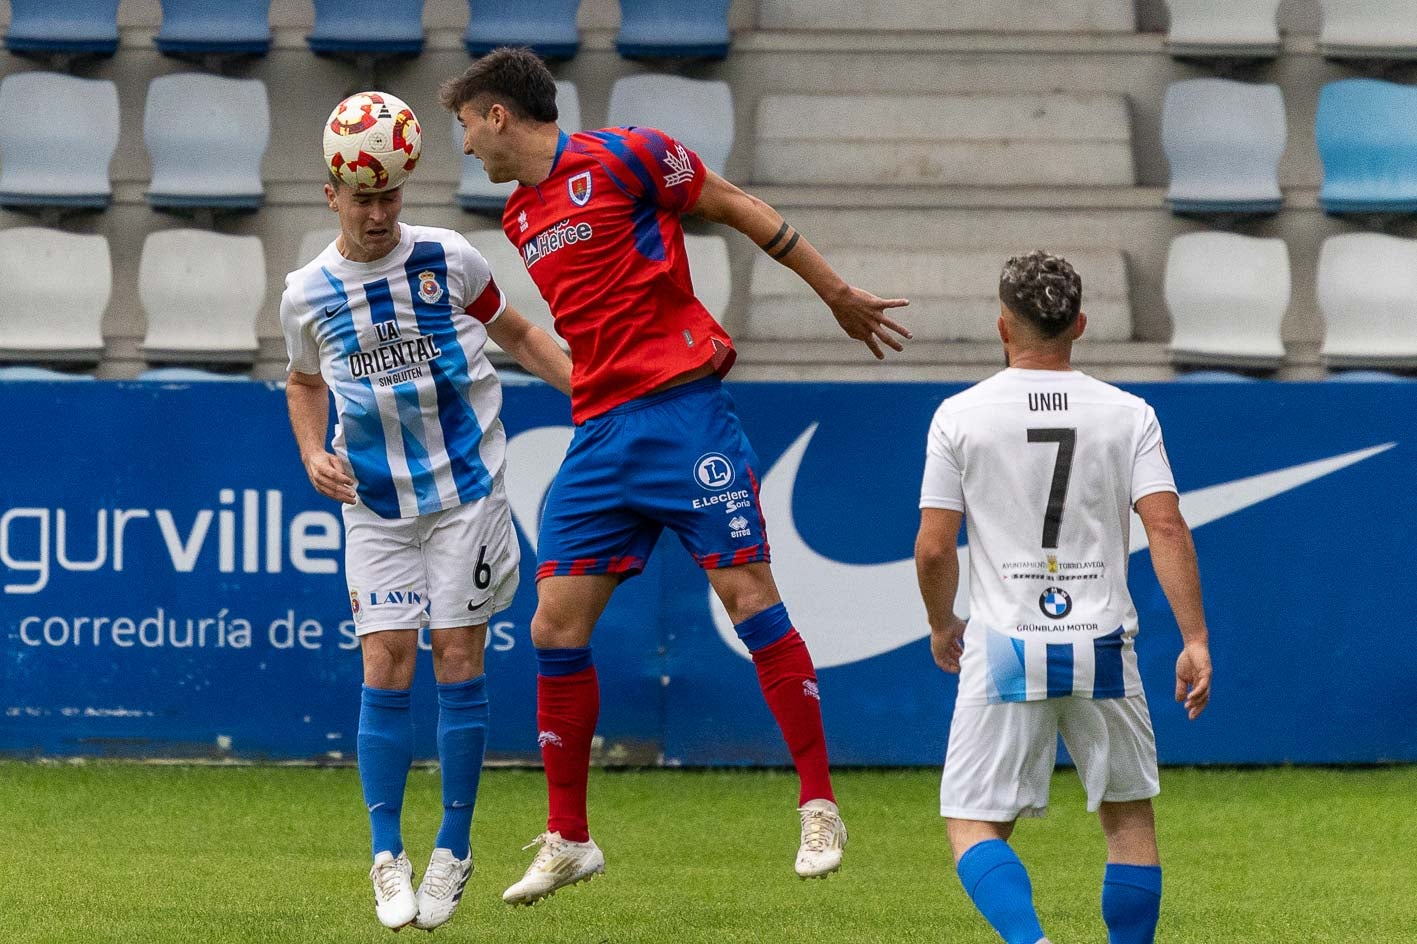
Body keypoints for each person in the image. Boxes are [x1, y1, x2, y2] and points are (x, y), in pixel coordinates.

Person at [437, 48, 913, 904]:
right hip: (600, 431)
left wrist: (835, 292)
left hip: (682, 412)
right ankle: (570, 839)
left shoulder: (626, 153)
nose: (465, 145)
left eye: (466, 125)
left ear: (498, 114)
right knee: (552, 628)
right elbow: (575, 331)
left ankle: (817, 803)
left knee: (750, 598)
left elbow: (735, 206)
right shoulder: (517, 220)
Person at [279, 93, 573, 932]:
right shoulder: (308, 294)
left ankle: (453, 847)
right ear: (330, 194)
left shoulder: (449, 259)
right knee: (385, 664)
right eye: (361, 198)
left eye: (390, 196)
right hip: (375, 505)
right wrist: (310, 452)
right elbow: (302, 383)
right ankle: (385, 855)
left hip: (464, 493)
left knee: (455, 654)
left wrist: (593, 392)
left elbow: (516, 334)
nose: (377, 214)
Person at [913, 251, 1213, 944]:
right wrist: (1193, 637)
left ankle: (1031, 942)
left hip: (1003, 640)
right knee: (1128, 818)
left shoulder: (958, 416)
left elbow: (933, 548)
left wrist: (939, 625)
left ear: (1001, 327)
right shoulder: (1127, 413)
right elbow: (1163, 523)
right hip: (1102, 640)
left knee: (972, 819)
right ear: (1078, 323)